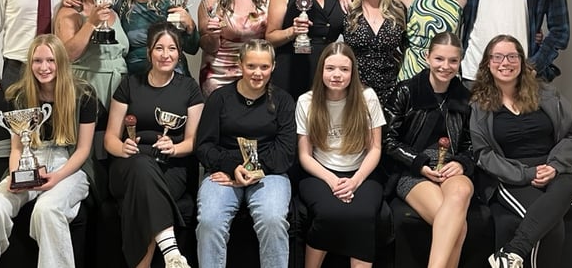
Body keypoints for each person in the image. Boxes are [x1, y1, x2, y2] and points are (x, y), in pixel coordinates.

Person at [0, 34, 99, 268]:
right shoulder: (19, 95)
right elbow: (17, 148)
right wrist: (14, 176)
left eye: (50, 60)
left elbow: (83, 150)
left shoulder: (84, 95)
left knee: (47, 210)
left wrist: (56, 179)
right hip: (29, 161)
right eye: (37, 61)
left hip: (69, 163)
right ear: (30, 64)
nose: (44, 67)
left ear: (60, 61)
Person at [469, 34, 572, 268]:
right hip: (514, 177)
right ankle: (514, 253)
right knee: (551, 226)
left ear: (522, 61)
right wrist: (528, 174)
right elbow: (483, 154)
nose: (505, 63)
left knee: (571, 182)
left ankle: (510, 255)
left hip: (556, 170)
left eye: (511, 56)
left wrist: (555, 166)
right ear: (488, 63)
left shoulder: (547, 95)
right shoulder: (480, 105)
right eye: (497, 57)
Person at [104, 22, 203, 268]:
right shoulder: (130, 84)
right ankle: (171, 252)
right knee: (140, 167)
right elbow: (109, 139)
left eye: (172, 49)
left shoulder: (190, 89)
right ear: (149, 51)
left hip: (171, 166)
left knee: (143, 195)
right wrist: (122, 148)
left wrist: (175, 148)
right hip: (129, 164)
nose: (165, 55)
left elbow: (193, 141)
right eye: (159, 48)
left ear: (180, 53)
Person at [195, 39, 296, 268]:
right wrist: (233, 169)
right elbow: (204, 146)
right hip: (225, 171)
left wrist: (255, 171)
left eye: (264, 67)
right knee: (209, 221)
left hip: (270, 173)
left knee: (272, 219)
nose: (257, 73)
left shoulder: (283, 101)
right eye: (251, 66)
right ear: (240, 64)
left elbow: (286, 152)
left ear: (273, 67)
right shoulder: (219, 98)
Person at [383, 32, 474, 268]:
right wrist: (419, 163)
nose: (446, 66)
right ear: (427, 57)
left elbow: (472, 143)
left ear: (460, 61)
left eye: (453, 61)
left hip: (451, 167)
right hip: (413, 170)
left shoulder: (466, 97)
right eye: (439, 59)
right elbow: (388, 141)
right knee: (458, 227)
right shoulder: (406, 91)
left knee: (462, 192)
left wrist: (462, 162)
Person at [296, 42, 385, 268]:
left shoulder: (368, 98)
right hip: (320, 172)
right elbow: (305, 156)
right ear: (321, 71)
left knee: (363, 216)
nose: (337, 75)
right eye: (330, 68)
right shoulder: (306, 101)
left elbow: (375, 149)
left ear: (353, 72)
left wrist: (355, 181)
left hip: (360, 171)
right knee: (329, 214)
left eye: (344, 70)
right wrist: (333, 180)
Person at [55, 0, 129, 116]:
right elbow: (67, 55)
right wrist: (91, 23)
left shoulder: (115, 12)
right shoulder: (69, 13)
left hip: (119, 86)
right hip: (86, 86)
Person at [115, 0, 199, 76]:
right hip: (138, 75)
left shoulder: (170, 3)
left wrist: (190, 25)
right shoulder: (121, 1)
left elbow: (192, 49)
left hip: (172, 72)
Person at [342, 0, 407, 105]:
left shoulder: (398, 10)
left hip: (391, 89)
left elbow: (406, 47)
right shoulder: (348, 12)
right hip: (357, 90)